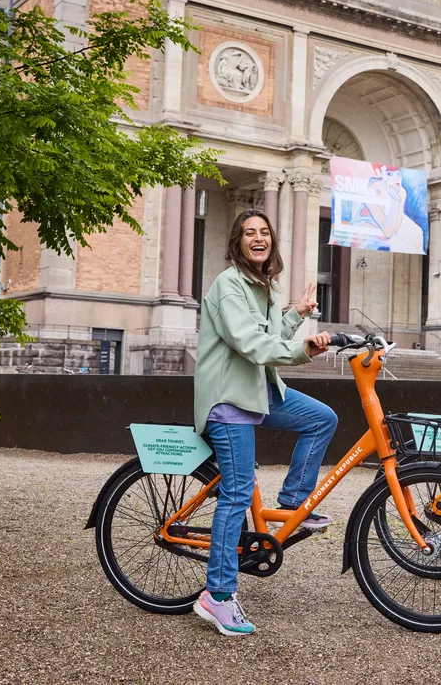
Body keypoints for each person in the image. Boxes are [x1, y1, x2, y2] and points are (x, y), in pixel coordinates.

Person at [191, 208, 337, 636]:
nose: (259, 238)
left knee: (321, 418)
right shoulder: (229, 285)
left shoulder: (264, 286)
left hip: (260, 391)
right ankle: (217, 596)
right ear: (237, 242)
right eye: (249, 233)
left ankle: (292, 505)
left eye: (265, 233)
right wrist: (302, 351)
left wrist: (297, 314)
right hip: (229, 397)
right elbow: (251, 343)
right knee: (236, 494)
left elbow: (271, 332)